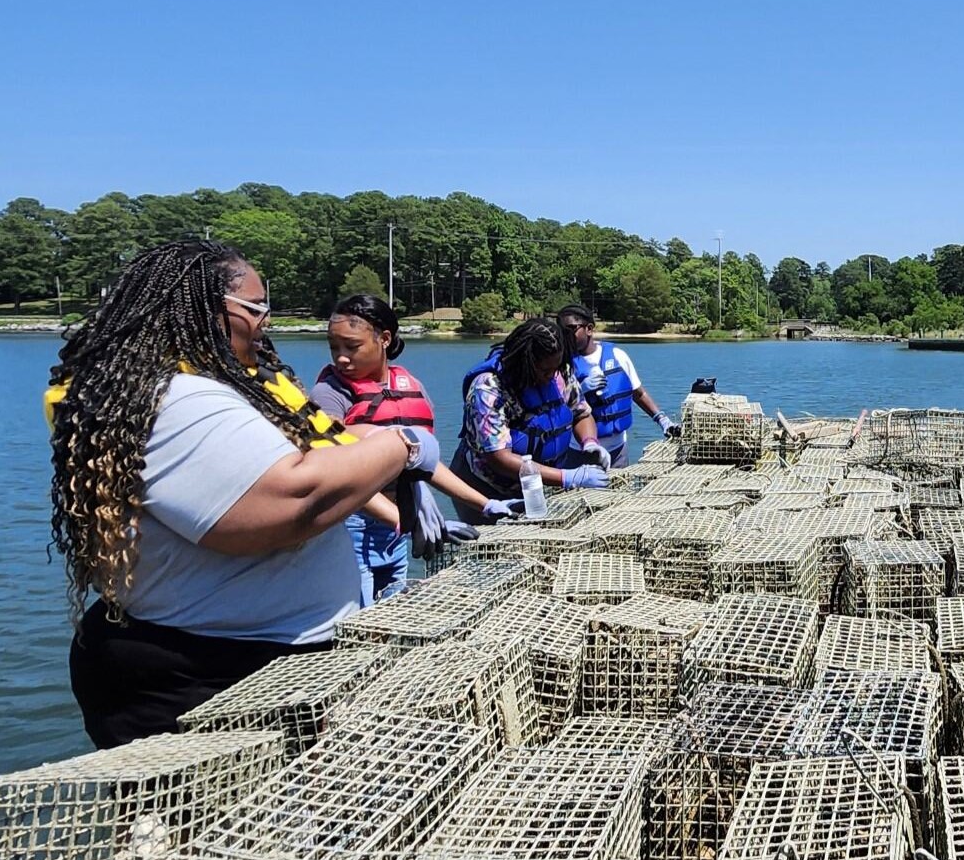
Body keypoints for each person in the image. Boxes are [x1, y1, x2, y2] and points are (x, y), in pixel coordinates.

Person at [48, 241, 436, 747]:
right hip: (197, 678)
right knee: (209, 827)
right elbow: (294, 502)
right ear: (202, 308)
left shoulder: (222, 386)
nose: (266, 321)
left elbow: (321, 452)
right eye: (256, 308)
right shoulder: (178, 398)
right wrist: (402, 445)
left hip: (248, 664)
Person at [310, 294, 510, 604]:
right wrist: (405, 520)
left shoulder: (409, 385)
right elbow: (330, 458)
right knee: (359, 622)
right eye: (334, 347)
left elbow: (424, 463)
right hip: (351, 531)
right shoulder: (330, 392)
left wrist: (486, 505)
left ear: (384, 339)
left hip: (397, 531)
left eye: (352, 347)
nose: (341, 358)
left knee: (392, 612)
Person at [448, 316, 609, 521]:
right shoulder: (488, 388)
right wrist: (568, 478)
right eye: (544, 370)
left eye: (555, 368)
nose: (551, 376)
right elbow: (499, 458)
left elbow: (581, 414)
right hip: (486, 488)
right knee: (493, 548)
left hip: (537, 484)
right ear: (525, 362)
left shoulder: (560, 372)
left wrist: (590, 443)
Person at [556, 304, 678, 468]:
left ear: (589, 329)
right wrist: (580, 392)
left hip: (617, 450)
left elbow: (638, 393)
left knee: (617, 491)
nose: (566, 335)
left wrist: (663, 420)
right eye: (562, 331)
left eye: (571, 329)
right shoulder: (560, 364)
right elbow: (554, 409)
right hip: (579, 451)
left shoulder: (618, 356)